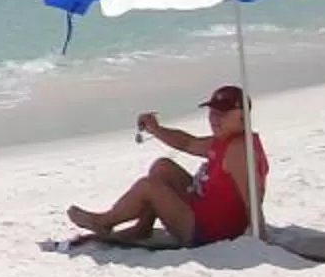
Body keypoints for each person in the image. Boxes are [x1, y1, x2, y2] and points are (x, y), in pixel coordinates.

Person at [67, 83, 269, 248]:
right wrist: (156, 129)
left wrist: (259, 237)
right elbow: (188, 143)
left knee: (149, 187)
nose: (214, 119)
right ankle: (142, 228)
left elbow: (252, 198)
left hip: (206, 231)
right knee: (162, 166)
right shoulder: (227, 139)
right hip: (201, 207)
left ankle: (102, 223)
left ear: (242, 116)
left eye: (222, 115)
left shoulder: (239, 150)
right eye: (212, 113)